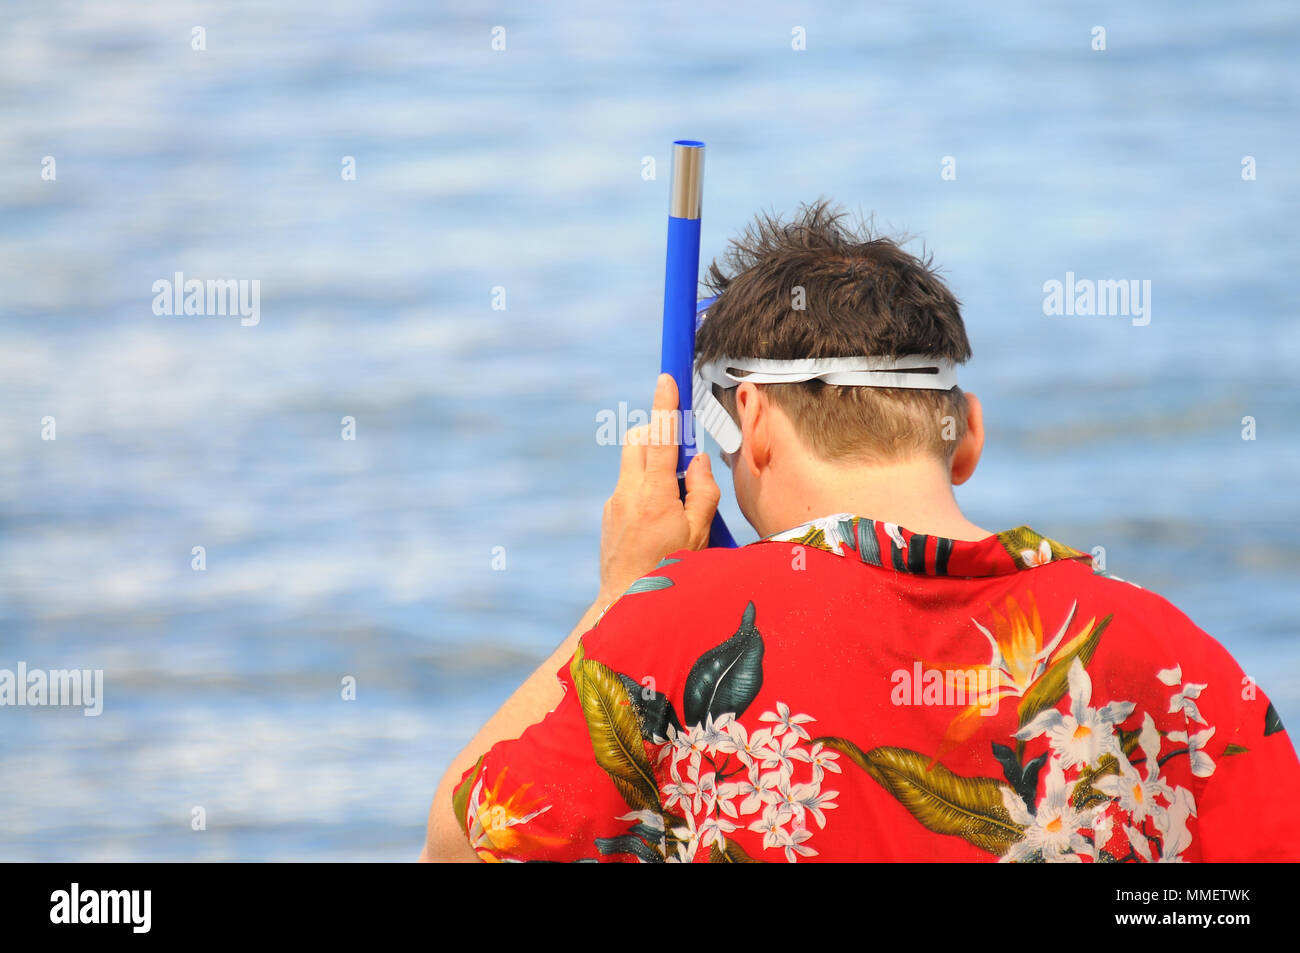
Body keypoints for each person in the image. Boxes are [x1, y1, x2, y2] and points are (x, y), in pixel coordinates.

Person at [419, 202, 1300, 862]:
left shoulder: (678, 628)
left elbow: (460, 845)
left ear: (753, 425)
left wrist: (619, 594)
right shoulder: (1154, 642)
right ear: (969, 433)